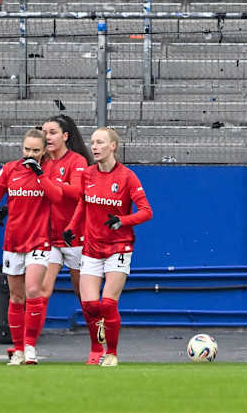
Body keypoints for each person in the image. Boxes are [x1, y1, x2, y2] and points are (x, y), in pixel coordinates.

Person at [0, 129, 63, 365]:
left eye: (35, 150)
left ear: (44, 151)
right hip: (14, 241)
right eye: (27, 150)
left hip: (39, 239)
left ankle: (31, 346)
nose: (30, 154)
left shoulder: (50, 170)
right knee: (16, 296)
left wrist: (41, 175)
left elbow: (57, 197)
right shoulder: (10, 169)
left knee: (33, 290)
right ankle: (19, 349)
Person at [64, 128, 152, 367]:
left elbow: (146, 212)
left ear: (113, 146)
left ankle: (111, 353)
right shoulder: (88, 174)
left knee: (107, 304)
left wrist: (122, 220)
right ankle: (95, 349)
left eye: (100, 142)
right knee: (90, 305)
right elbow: (83, 203)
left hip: (119, 247)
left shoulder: (127, 177)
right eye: (92, 142)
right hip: (91, 247)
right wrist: (72, 227)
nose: (94, 147)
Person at [33, 114, 98, 362]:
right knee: (40, 290)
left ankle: (98, 348)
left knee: (86, 297)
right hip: (49, 239)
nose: (47, 137)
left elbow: (76, 192)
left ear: (65, 136)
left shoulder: (77, 161)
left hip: (76, 238)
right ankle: (29, 347)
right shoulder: (42, 161)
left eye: (52, 132)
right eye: (45, 132)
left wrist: (50, 183)